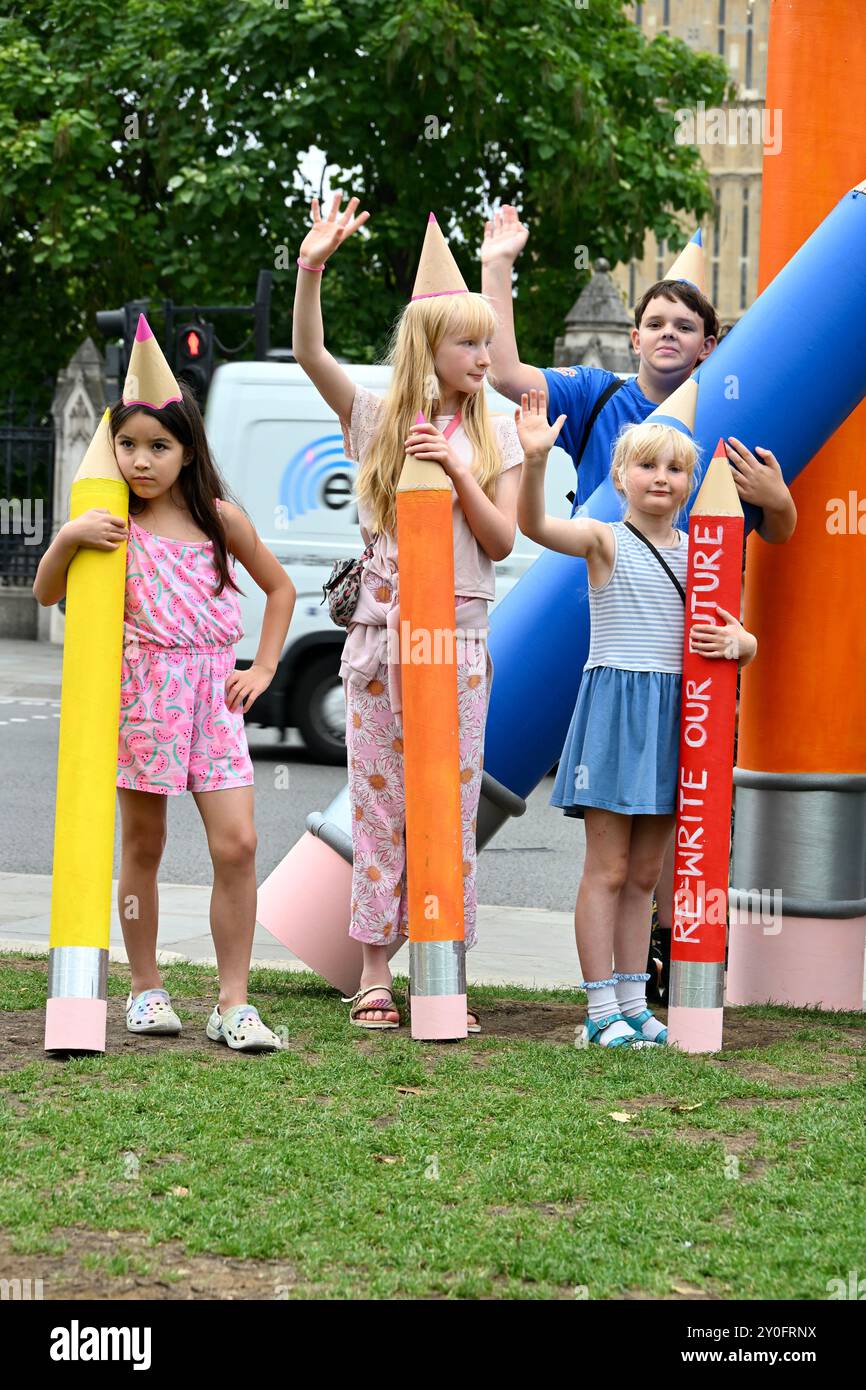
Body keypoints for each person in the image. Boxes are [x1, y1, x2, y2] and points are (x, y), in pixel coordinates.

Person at [292, 194, 524, 1030]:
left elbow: (499, 540)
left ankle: (441, 967)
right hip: (379, 644)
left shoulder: (496, 435)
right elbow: (309, 353)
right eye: (469, 340)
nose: (481, 353)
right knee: (379, 804)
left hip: (458, 641)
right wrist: (311, 268)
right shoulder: (376, 420)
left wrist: (457, 471)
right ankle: (374, 972)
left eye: (488, 340)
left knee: (448, 808)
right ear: (430, 345)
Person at [34, 372, 296, 1052]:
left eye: (158, 446)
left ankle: (233, 1002)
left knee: (237, 844)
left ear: (187, 449)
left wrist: (263, 667)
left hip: (212, 695)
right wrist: (68, 539)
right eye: (127, 444)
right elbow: (45, 593)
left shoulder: (219, 518)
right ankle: (146, 988)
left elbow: (279, 588)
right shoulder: (114, 522)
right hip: (143, 697)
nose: (141, 460)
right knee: (143, 846)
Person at [515, 392, 757, 1049]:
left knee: (648, 876)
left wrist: (745, 645)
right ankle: (599, 1011)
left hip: (681, 715)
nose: (660, 478)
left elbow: (736, 634)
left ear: (689, 482)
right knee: (609, 869)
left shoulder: (707, 554)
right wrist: (536, 461)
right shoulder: (603, 540)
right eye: (646, 466)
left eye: (674, 469)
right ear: (620, 475)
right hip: (616, 710)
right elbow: (534, 526)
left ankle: (631, 1001)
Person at [481, 204, 797, 543]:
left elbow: (775, 532)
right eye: (656, 324)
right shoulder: (594, 394)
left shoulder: (729, 414)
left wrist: (778, 500)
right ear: (636, 339)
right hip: (597, 589)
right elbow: (505, 375)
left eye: (684, 326)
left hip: (691, 593)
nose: (668, 333)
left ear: (706, 346)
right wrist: (497, 267)